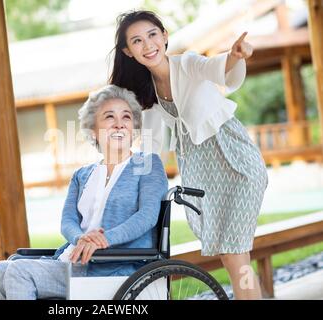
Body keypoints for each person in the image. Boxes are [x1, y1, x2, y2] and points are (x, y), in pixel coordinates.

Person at [109, 10, 268, 300]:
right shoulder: (146, 93)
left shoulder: (188, 64)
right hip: (201, 175)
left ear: (165, 36)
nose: (148, 45)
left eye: (153, 35)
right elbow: (151, 145)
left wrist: (235, 55)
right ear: (128, 52)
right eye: (137, 41)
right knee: (232, 256)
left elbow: (217, 67)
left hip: (236, 161)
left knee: (234, 254)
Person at [0, 84, 168, 300]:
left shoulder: (147, 165)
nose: (119, 124)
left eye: (126, 117)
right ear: (93, 131)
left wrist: (104, 240)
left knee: (19, 272)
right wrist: (81, 238)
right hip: (75, 260)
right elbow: (67, 221)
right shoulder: (82, 174)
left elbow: (147, 216)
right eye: (109, 117)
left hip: (115, 264)